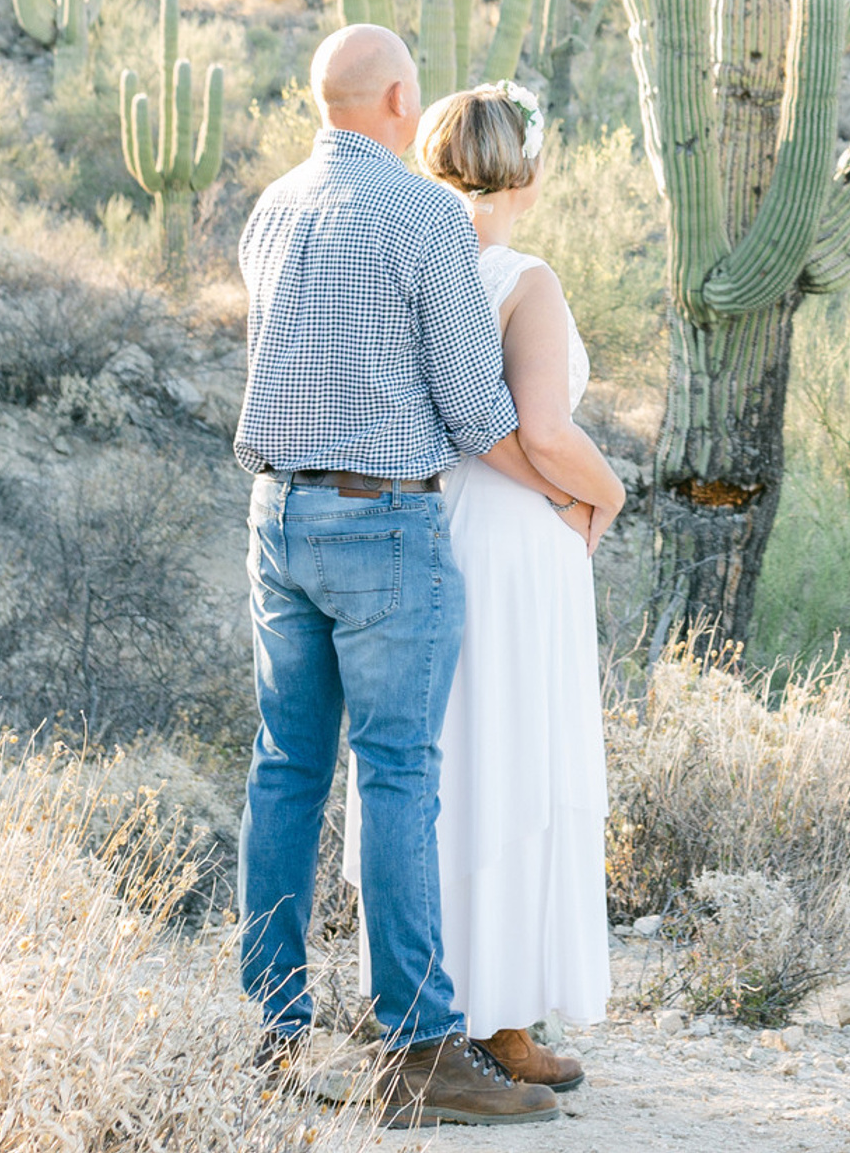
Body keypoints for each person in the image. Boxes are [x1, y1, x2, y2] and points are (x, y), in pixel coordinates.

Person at [234, 24, 561, 1128]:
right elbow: (477, 409)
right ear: (397, 100)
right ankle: (420, 1045)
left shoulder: (271, 208)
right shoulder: (424, 216)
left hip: (277, 512)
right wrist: (574, 488)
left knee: (285, 769)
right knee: (397, 776)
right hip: (384, 525)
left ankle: (272, 1030)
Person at [342, 81, 623, 1091]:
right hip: (516, 535)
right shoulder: (524, 277)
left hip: (429, 518)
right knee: (518, 755)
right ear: (530, 175)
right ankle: (504, 1019)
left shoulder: (401, 260)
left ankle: (439, 1004)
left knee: (443, 762)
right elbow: (541, 431)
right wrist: (608, 492)